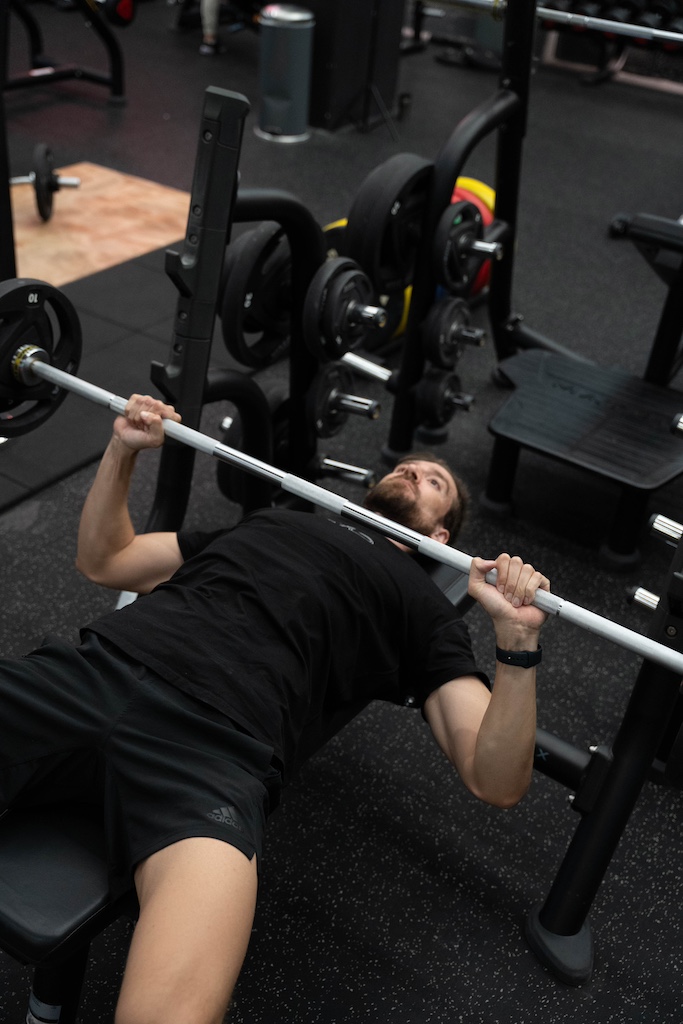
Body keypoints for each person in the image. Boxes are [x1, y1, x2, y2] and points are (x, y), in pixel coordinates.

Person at [1, 394, 550, 1024]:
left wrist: (517, 642)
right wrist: (122, 450)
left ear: (441, 534)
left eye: (434, 482)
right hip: (99, 671)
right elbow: (105, 559)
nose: (412, 473)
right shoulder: (273, 520)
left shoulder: (421, 605)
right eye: (407, 467)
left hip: (215, 754)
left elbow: (496, 778)